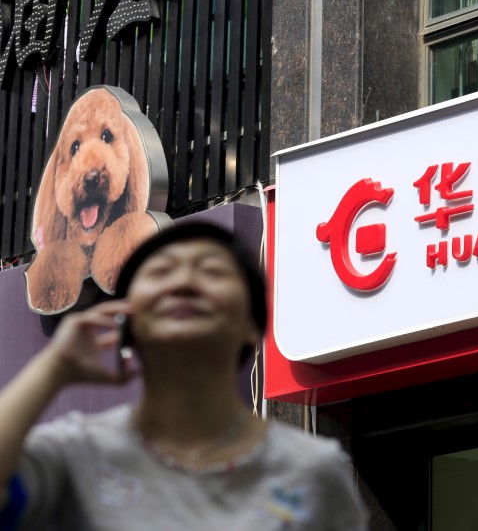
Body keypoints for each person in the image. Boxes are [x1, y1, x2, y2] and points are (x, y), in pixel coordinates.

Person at [0, 222, 368, 530]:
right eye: (160, 272)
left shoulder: (312, 472)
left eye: (212, 271)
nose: (184, 283)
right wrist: (54, 368)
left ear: (251, 325)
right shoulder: (76, 453)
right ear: (126, 317)